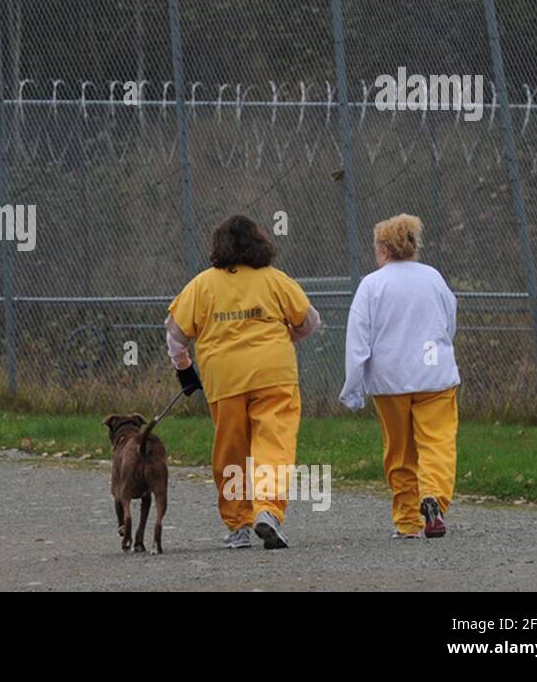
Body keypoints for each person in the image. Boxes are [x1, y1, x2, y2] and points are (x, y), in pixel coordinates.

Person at [165, 214, 320, 550]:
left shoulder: (202, 285)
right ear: (259, 243)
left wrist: (184, 369)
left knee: (231, 451)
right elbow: (310, 321)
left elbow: (175, 335)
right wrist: (287, 335)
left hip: (225, 378)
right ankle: (268, 510)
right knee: (274, 444)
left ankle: (238, 526)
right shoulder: (275, 279)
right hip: (274, 374)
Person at [340, 213, 459, 539]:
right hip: (435, 376)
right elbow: (449, 321)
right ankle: (434, 497)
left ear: (383, 249)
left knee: (400, 451)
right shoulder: (433, 278)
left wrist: (353, 386)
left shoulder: (372, 285)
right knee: (437, 442)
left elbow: (358, 339)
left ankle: (407, 522)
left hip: (389, 379)